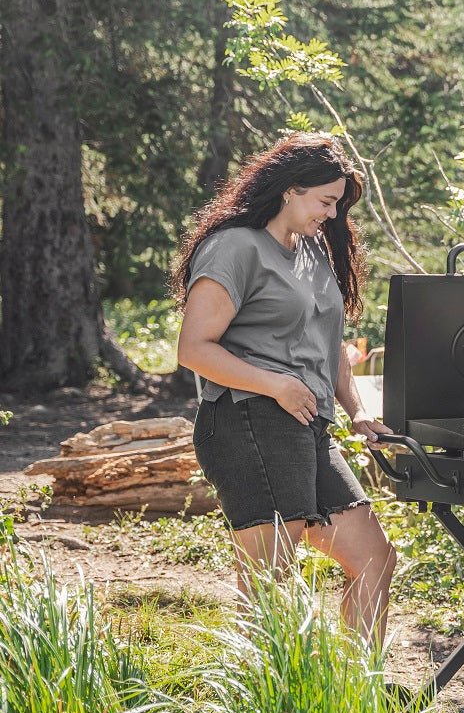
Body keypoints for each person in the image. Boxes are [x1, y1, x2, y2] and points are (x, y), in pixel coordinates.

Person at [170, 132, 397, 645]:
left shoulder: (313, 251)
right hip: (249, 417)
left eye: (337, 204)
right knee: (271, 583)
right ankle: (262, 712)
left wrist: (357, 411)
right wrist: (277, 385)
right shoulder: (234, 247)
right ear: (290, 190)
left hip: (308, 422)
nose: (333, 214)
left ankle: (354, 695)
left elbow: (330, 344)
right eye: (326, 201)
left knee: (375, 559)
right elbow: (194, 348)